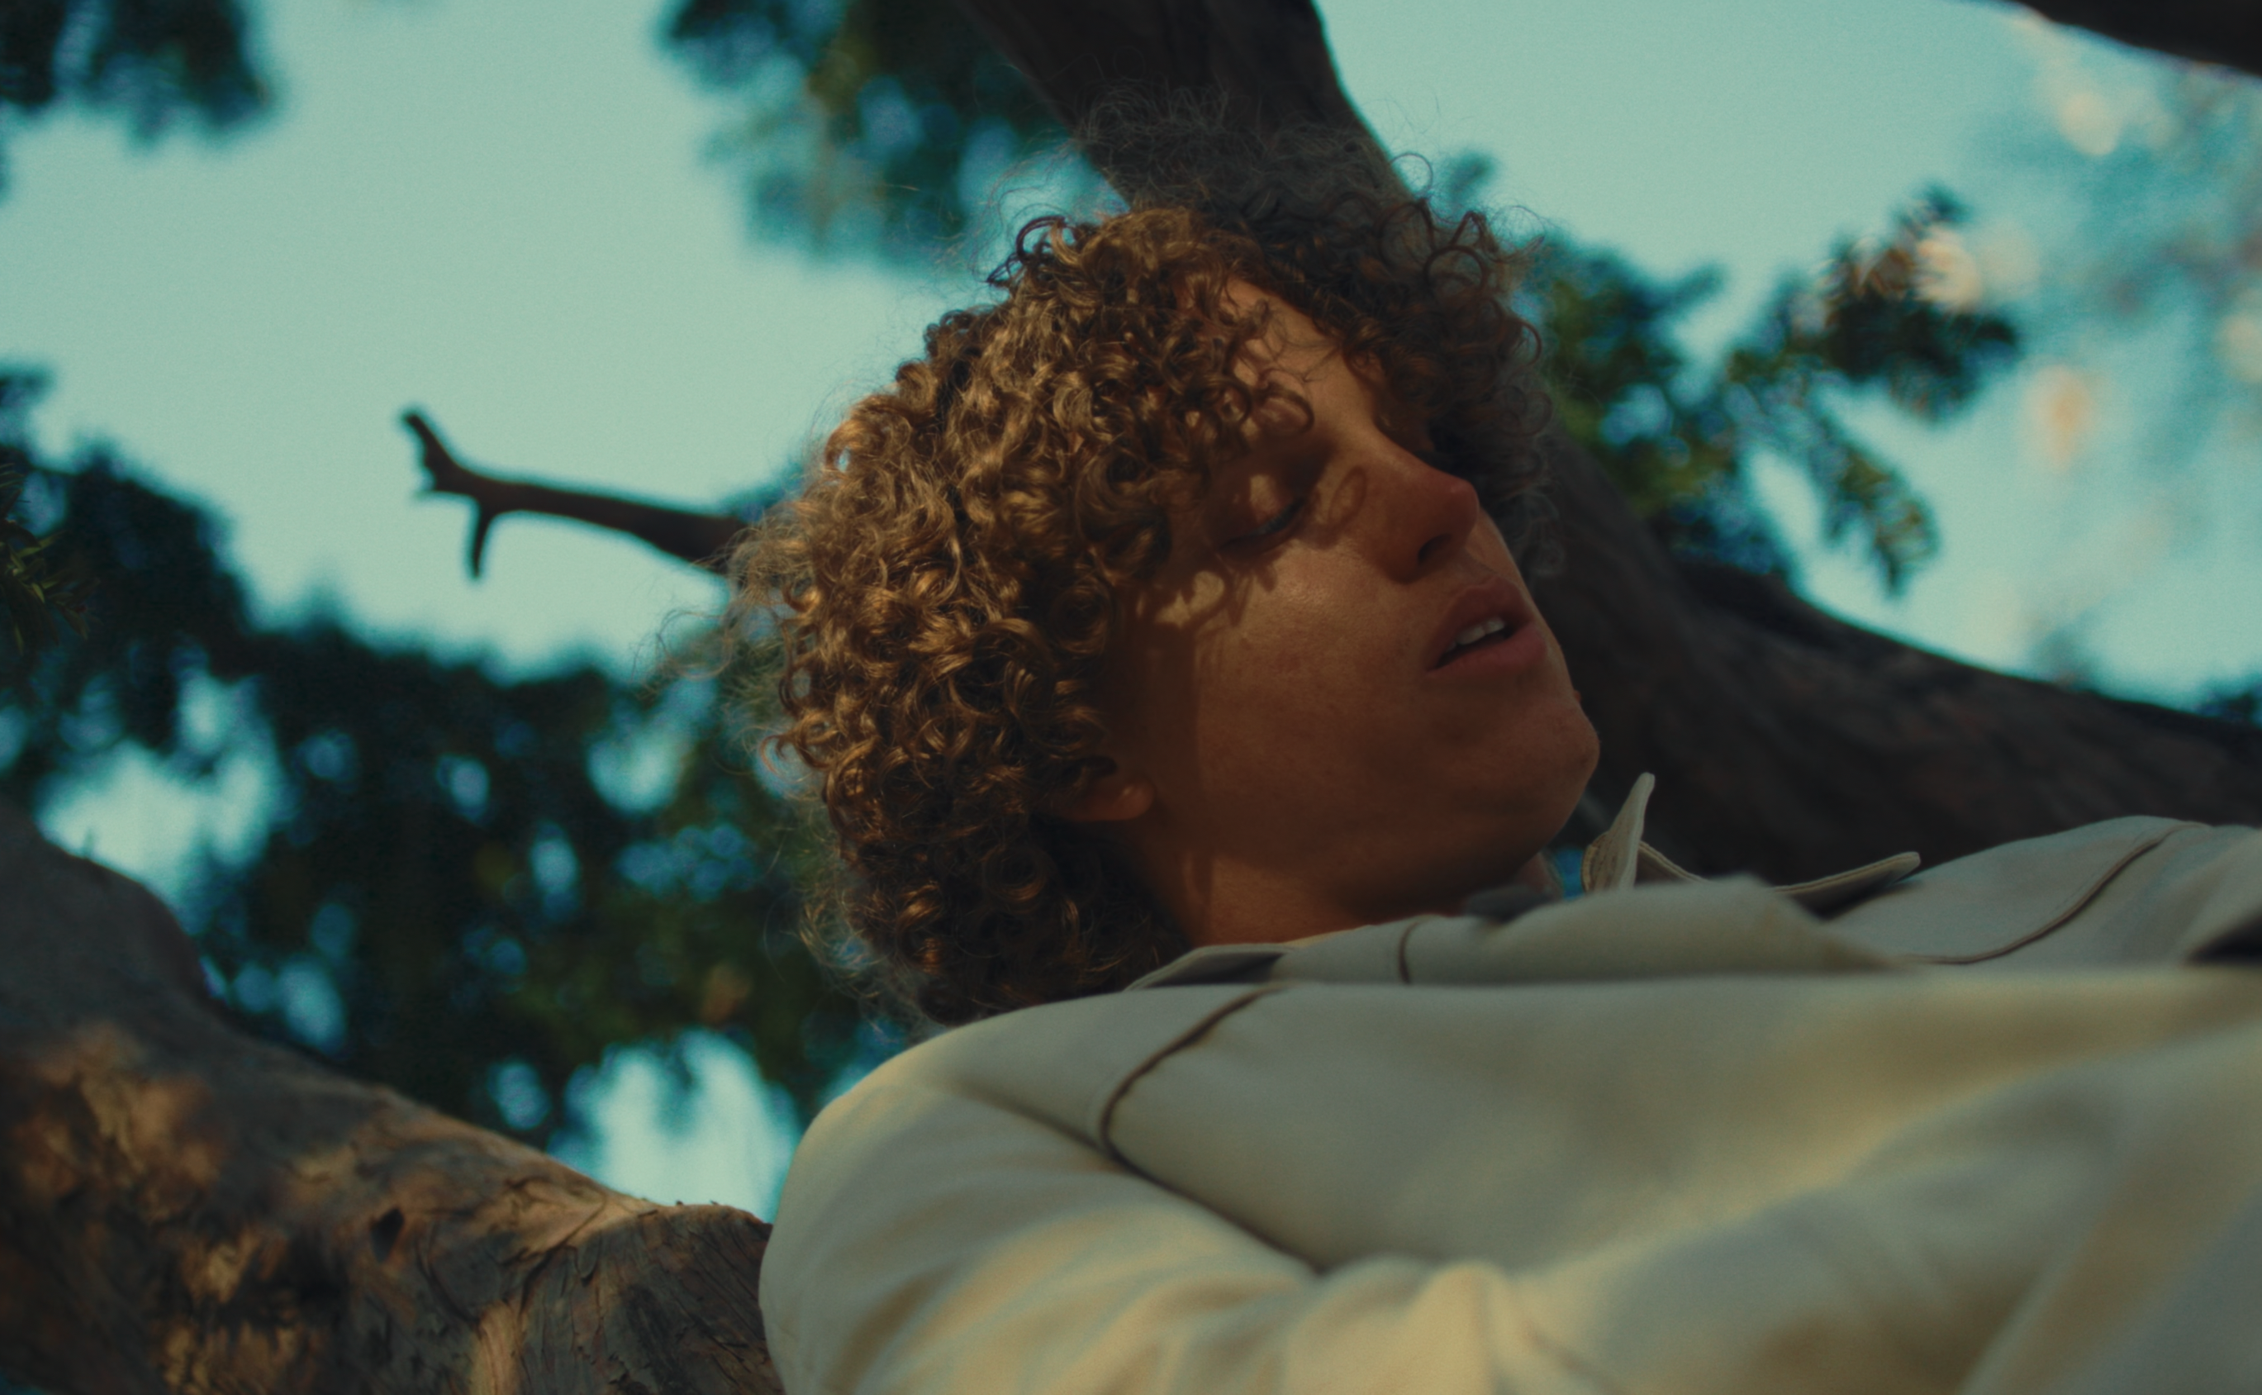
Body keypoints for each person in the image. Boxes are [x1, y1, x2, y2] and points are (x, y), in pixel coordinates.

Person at [729, 170, 2262, 1395]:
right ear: (1075, 746)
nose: (1441, 498)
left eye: (1413, 430)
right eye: (1267, 507)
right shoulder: (963, 1135)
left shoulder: (2114, 884)